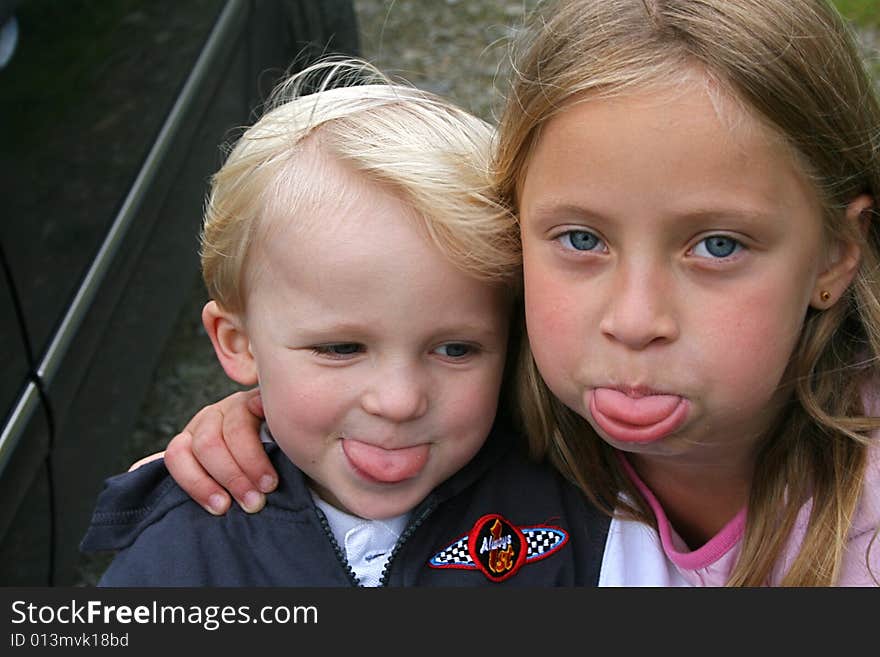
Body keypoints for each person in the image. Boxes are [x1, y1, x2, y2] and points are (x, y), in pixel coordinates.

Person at [152, 0, 880, 586]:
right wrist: (256, 421)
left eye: (718, 245)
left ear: (836, 255)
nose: (633, 321)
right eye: (581, 240)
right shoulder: (474, 392)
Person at [79, 59, 611, 587]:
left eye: (455, 350)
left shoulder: (583, 494)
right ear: (238, 343)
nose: (399, 401)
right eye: (341, 349)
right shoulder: (181, 558)